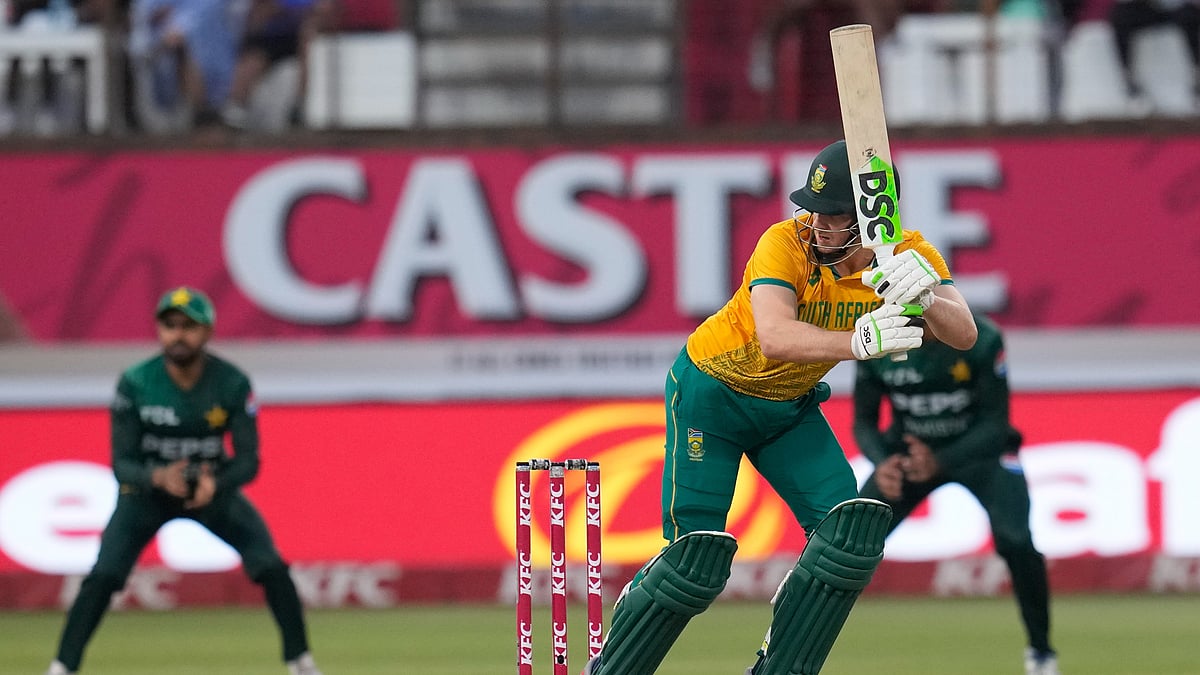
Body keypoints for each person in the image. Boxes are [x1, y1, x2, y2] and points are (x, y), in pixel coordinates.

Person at [581, 139, 978, 675]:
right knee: (693, 563)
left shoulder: (908, 256)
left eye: (834, 218)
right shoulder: (783, 242)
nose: (817, 227)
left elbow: (964, 334)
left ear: (866, 223)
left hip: (786, 410)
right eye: (812, 212)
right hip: (711, 396)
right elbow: (773, 335)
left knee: (850, 537)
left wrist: (929, 297)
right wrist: (858, 342)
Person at [45, 287, 322, 675]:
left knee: (272, 568)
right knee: (103, 576)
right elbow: (122, 463)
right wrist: (157, 476)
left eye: (189, 327)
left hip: (209, 492)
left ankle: (301, 662)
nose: (178, 335)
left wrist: (217, 483)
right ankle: (62, 667)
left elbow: (249, 460)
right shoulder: (137, 383)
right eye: (169, 325)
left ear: (207, 331)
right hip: (146, 495)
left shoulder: (232, 384)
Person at [853, 311, 1059, 675]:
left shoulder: (982, 338)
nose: (922, 330)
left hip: (981, 452)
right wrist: (882, 462)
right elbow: (864, 421)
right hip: (908, 453)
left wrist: (941, 460)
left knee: (1016, 541)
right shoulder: (877, 338)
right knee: (848, 543)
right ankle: (792, 648)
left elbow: (996, 425)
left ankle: (1041, 653)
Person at [1108, 0, 1200, 109]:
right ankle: (1129, 79)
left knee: (1190, 16)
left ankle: (1196, 75)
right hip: (1142, 10)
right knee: (1121, 17)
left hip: (1176, 10)